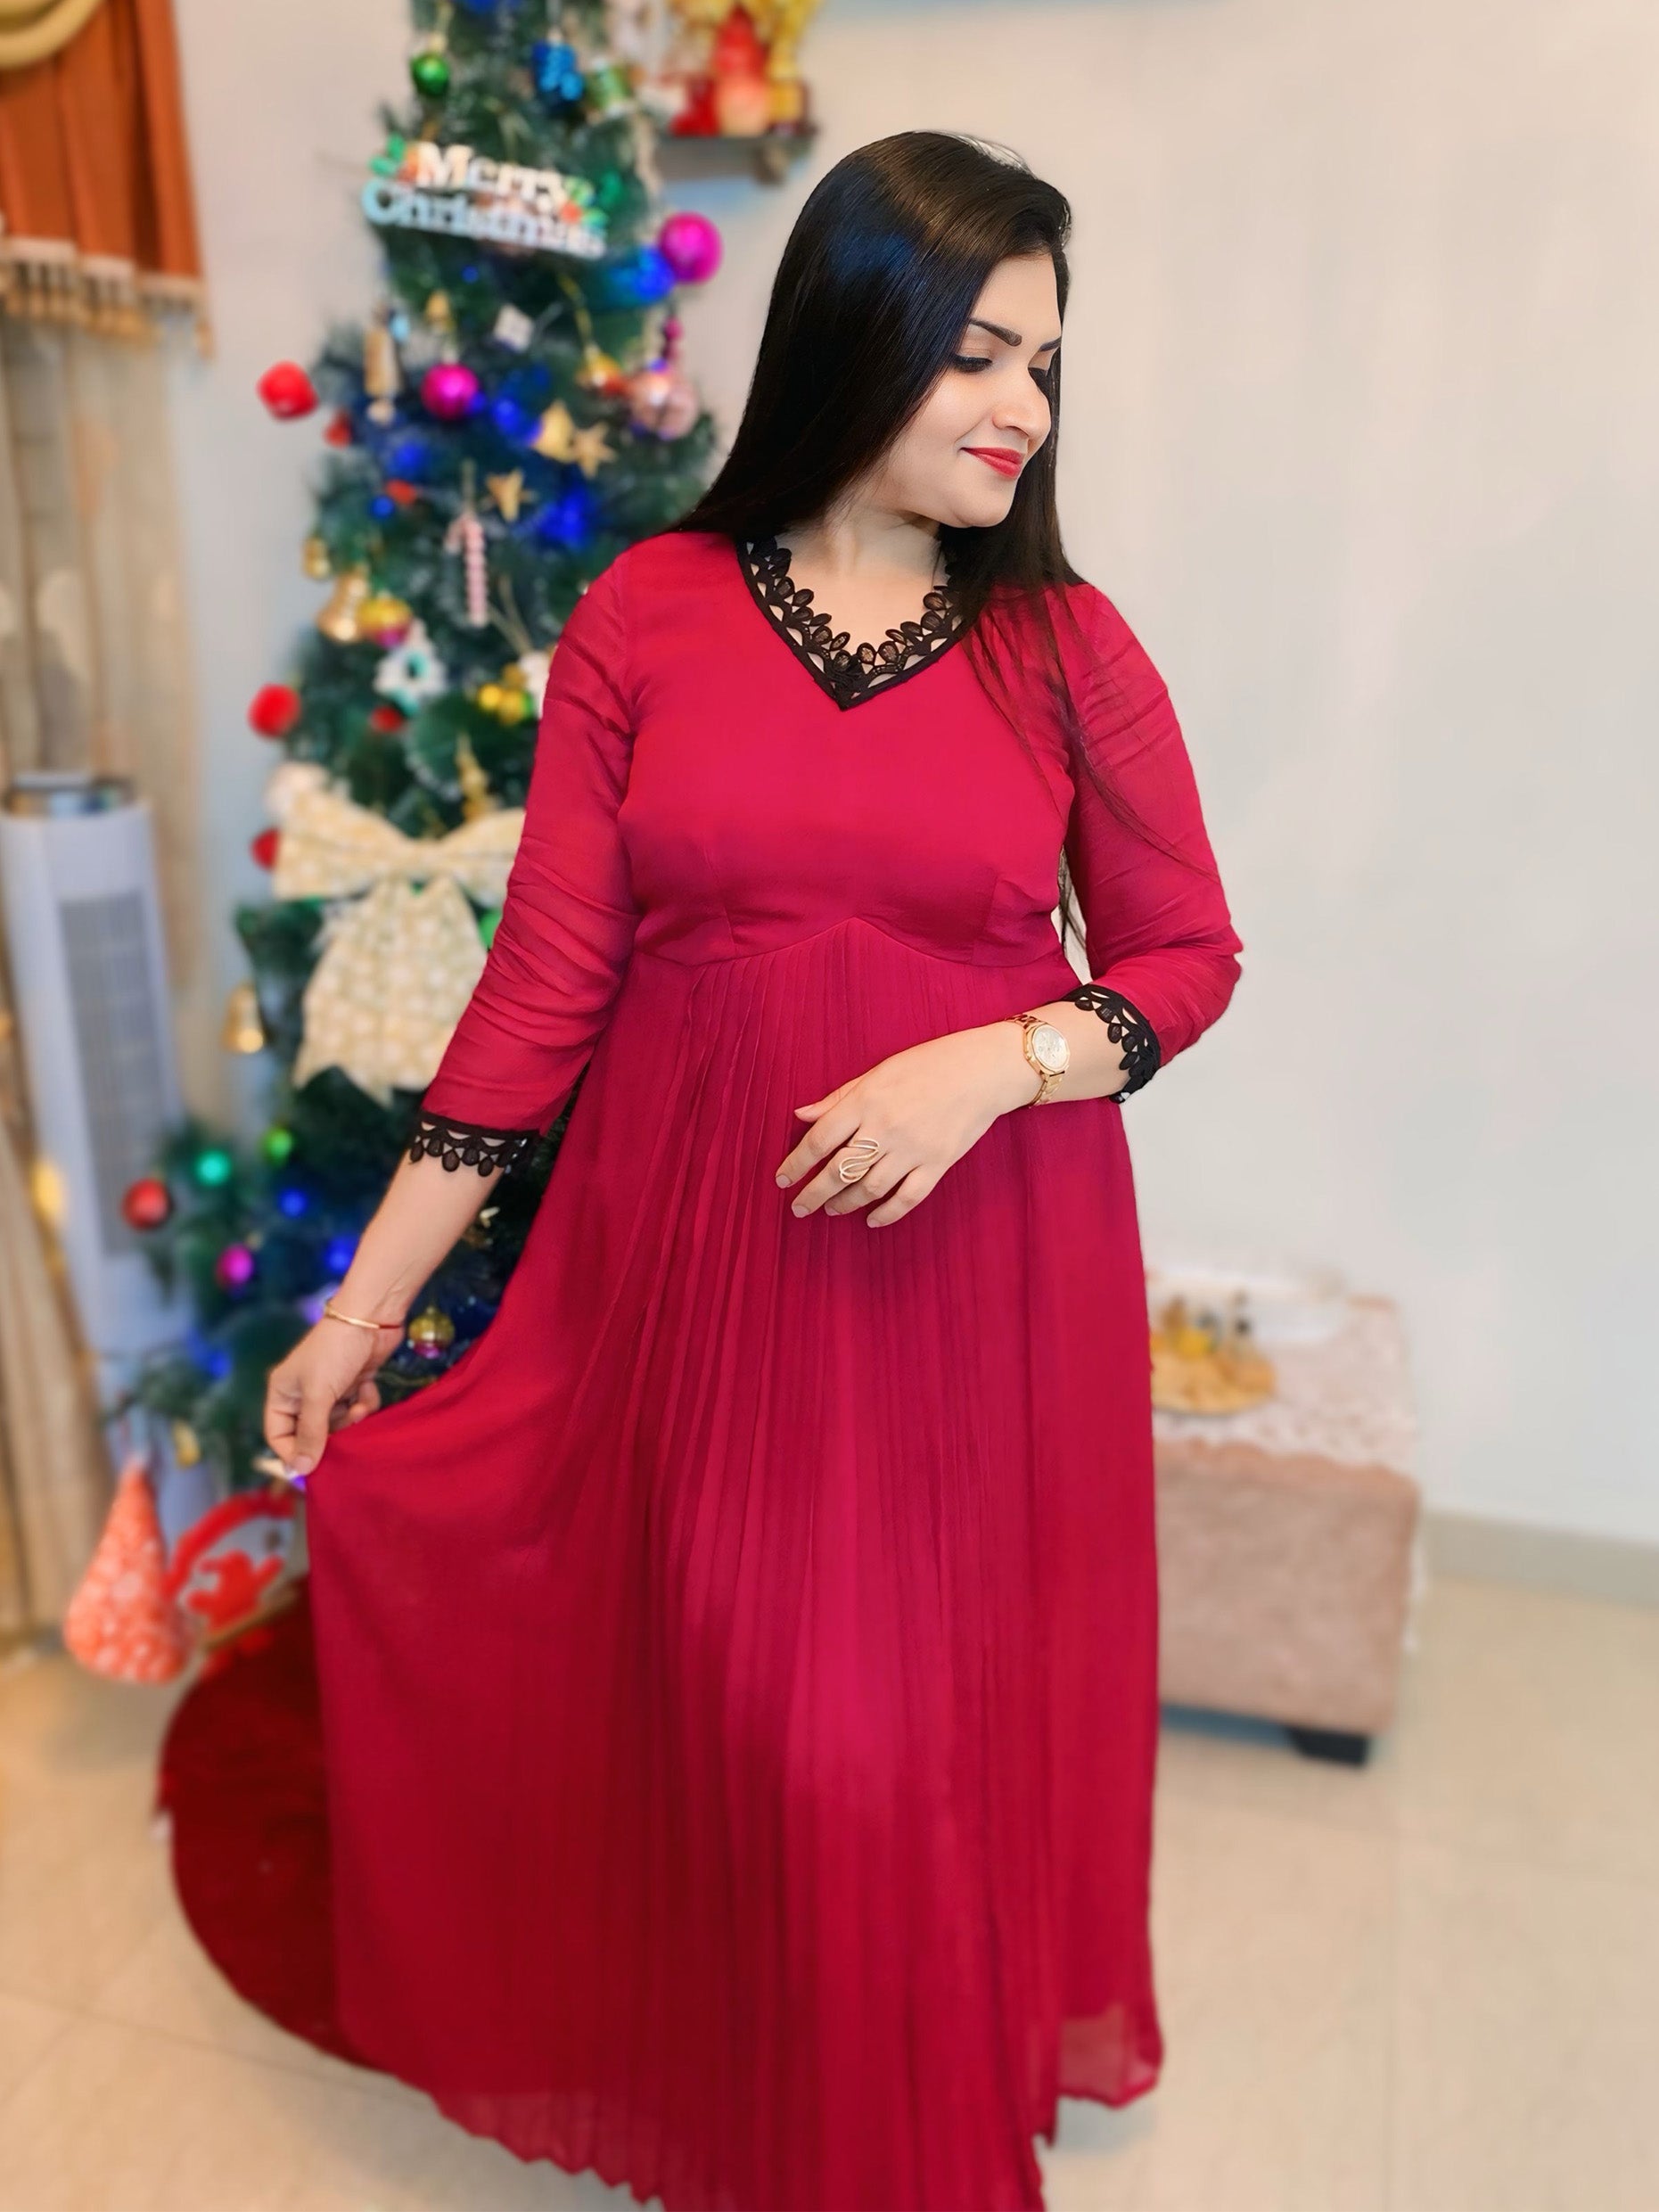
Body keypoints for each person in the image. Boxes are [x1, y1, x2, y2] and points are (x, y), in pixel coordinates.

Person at [264, 129, 1244, 2212]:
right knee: (744, 1708)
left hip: (973, 1274)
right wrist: (363, 1309)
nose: (1022, 404)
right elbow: (542, 990)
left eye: (1045, 362)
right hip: (694, 1269)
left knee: (891, 1742)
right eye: (977, 352)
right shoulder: (649, 611)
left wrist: (991, 1060)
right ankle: (764, 2091)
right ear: (854, 332)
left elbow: (1186, 955)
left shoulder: (1068, 645)